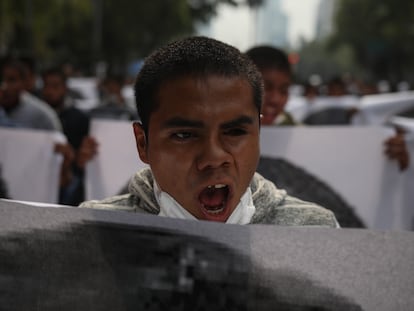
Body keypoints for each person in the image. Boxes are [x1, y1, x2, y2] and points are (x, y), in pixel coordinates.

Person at [80, 36, 338, 227]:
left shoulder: (313, 229)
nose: (214, 157)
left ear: (259, 132)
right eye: (184, 135)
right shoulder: (92, 232)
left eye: (235, 132)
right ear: (143, 144)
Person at [42, 67, 98, 205]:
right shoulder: (38, 117)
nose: (50, 91)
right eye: (47, 86)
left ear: (64, 88)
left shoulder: (79, 118)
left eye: (55, 86)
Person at [0, 58, 62, 131]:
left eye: (12, 80)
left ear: (24, 83)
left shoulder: (43, 115)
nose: (4, 86)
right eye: (1, 79)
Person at [245, 46, 297, 126]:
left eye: (283, 91)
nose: (275, 100)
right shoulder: (221, 134)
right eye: (265, 88)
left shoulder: (299, 133)